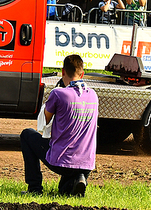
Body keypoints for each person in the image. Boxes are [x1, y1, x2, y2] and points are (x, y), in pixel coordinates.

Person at [20, 54, 98, 196]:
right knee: (64, 192)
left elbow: (46, 119)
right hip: (87, 163)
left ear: (63, 72)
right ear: (82, 74)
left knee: (27, 135)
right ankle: (79, 178)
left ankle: (34, 188)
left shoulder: (58, 93)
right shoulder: (93, 95)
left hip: (62, 162)